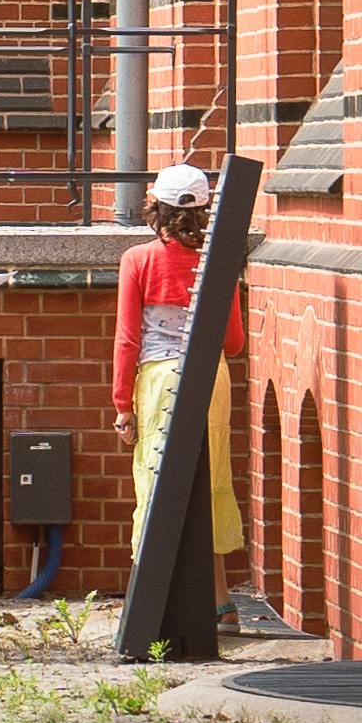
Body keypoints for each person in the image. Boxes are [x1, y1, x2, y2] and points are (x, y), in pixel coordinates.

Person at [113, 162, 247, 635]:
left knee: (154, 482)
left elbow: (128, 338)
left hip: (159, 381)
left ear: (156, 207)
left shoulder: (138, 260)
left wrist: (122, 405)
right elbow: (233, 342)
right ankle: (222, 604)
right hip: (212, 379)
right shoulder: (220, 260)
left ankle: (145, 603)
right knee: (211, 481)